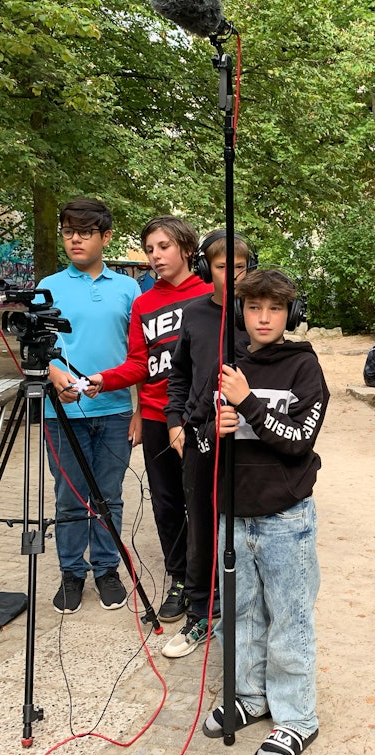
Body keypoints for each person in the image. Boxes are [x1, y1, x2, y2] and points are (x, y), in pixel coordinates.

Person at [199, 269, 326, 755]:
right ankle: (250, 697)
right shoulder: (227, 368)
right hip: (233, 513)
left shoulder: (303, 369)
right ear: (240, 313)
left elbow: (298, 443)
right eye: (254, 307)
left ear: (290, 314)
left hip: (285, 519)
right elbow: (199, 439)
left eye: (275, 308)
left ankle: (297, 717)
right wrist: (216, 426)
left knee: (289, 621)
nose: (264, 317)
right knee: (239, 616)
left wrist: (248, 404)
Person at [84, 216, 212, 623]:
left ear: (187, 249)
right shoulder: (143, 303)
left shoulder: (212, 295)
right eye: (150, 249)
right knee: (168, 504)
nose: (155, 256)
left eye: (164, 247)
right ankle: (180, 581)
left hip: (203, 417)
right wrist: (102, 380)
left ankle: (211, 580)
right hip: (159, 417)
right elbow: (140, 363)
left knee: (206, 501)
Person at [42, 197, 140, 614]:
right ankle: (71, 573)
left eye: (85, 232)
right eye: (68, 232)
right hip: (62, 413)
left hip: (116, 411)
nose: (75, 239)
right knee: (69, 496)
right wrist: (52, 372)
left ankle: (106, 569)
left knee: (109, 496)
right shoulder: (48, 285)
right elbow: (37, 345)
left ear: (106, 237)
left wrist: (139, 411)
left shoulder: (128, 288)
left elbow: (140, 353)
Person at [160, 229, 254, 658]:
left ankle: (247, 612)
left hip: (247, 440)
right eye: (222, 267)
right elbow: (177, 374)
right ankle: (202, 611)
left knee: (245, 525)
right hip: (198, 437)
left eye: (239, 268)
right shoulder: (194, 313)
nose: (232, 276)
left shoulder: (254, 315)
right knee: (200, 524)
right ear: (205, 268)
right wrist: (175, 422)